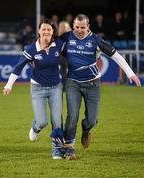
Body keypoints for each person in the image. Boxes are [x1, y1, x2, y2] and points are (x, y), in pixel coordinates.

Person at [60, 14, 141, 160]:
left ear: (88, 26)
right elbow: (49, 47)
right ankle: (69, 148)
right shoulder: (66, 38)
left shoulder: (95, 40)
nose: (79, 30)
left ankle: (86, 131)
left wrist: (130, 74)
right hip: (73, 83)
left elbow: (115, 55)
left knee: (91, 120)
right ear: (73, 25)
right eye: (77, 27)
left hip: (93, 84)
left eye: (83, 27)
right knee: (72, 116)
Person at [3, 19, 65, 160]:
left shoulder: (59, 45)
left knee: (57, 120)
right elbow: (18, 67)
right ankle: (36, 128)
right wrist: (8, 85)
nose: (46, 32)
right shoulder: (31, 49)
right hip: (38, 88)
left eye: (49, 29)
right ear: (39, 31)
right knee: (42, 121)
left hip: (56, 87)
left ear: (52, 32)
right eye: (43, 29)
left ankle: (56, 150)